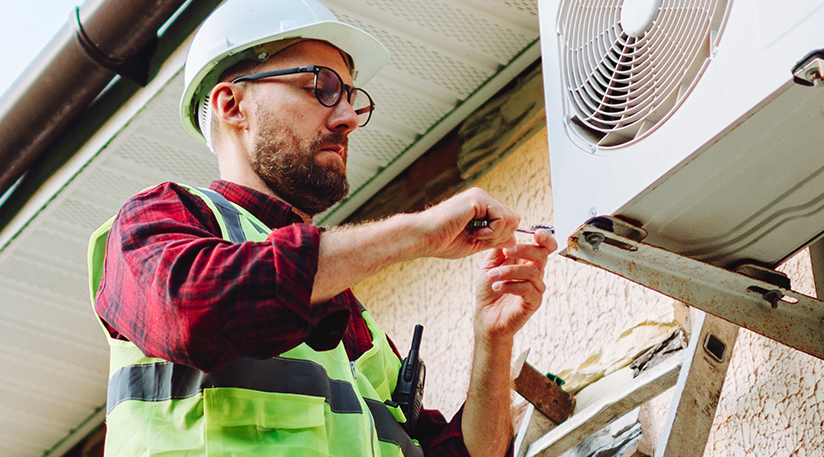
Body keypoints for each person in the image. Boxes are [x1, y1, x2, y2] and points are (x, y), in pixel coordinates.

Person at [85, 0, 557, 455]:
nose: (348, 117)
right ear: (232, 106)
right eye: (322, 87)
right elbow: (196, 306)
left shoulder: (357, 326)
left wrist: (491, 338)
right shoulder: (160, 219)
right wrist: (416, 233)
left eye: (352, 98)